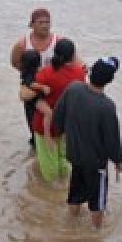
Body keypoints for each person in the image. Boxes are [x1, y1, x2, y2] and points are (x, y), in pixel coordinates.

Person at [51, 57, 122, 228]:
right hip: (95, 164)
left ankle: (71, 224)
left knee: (75, 192)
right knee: (97, 202)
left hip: (75, 156)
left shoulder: (73, 88)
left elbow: (57, 116)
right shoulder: (107, 106)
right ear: (110, 80)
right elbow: (112, 139)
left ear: (90, 72)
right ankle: (96, 233)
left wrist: (61, 133)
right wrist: (118, 160)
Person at [26, 38, 87, 182]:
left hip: (44, 125)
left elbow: (28, 93)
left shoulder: (45, 73)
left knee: (49, 164)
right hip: (66, 125)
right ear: (73, 55)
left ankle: (48, 196)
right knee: (64, 161)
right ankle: (63, 191)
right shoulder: (79, 73)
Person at [10, 7, 58, 74]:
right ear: (31, 25)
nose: (44, 26)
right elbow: (15, 63)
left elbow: (74, 64)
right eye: (40, 23)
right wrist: (31, 72)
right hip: (31, 81)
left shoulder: (58, 42)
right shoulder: (22, 45)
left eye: (47, 22)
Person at [17, 49, 43, 146]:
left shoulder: (24, 75)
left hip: (28, 106)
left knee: (31, 124)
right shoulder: (37, 76)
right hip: (36, 105)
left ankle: (34, 141)